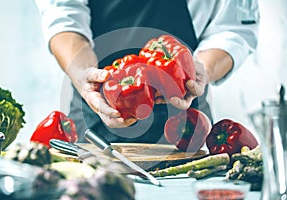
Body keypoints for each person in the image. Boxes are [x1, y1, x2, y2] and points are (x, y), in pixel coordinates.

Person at [35, 0, 259, 143]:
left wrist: (201, 70)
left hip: (187, 116)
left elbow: (233, 29)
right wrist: (85, 74)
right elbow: (63, 15)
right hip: (94, 110)